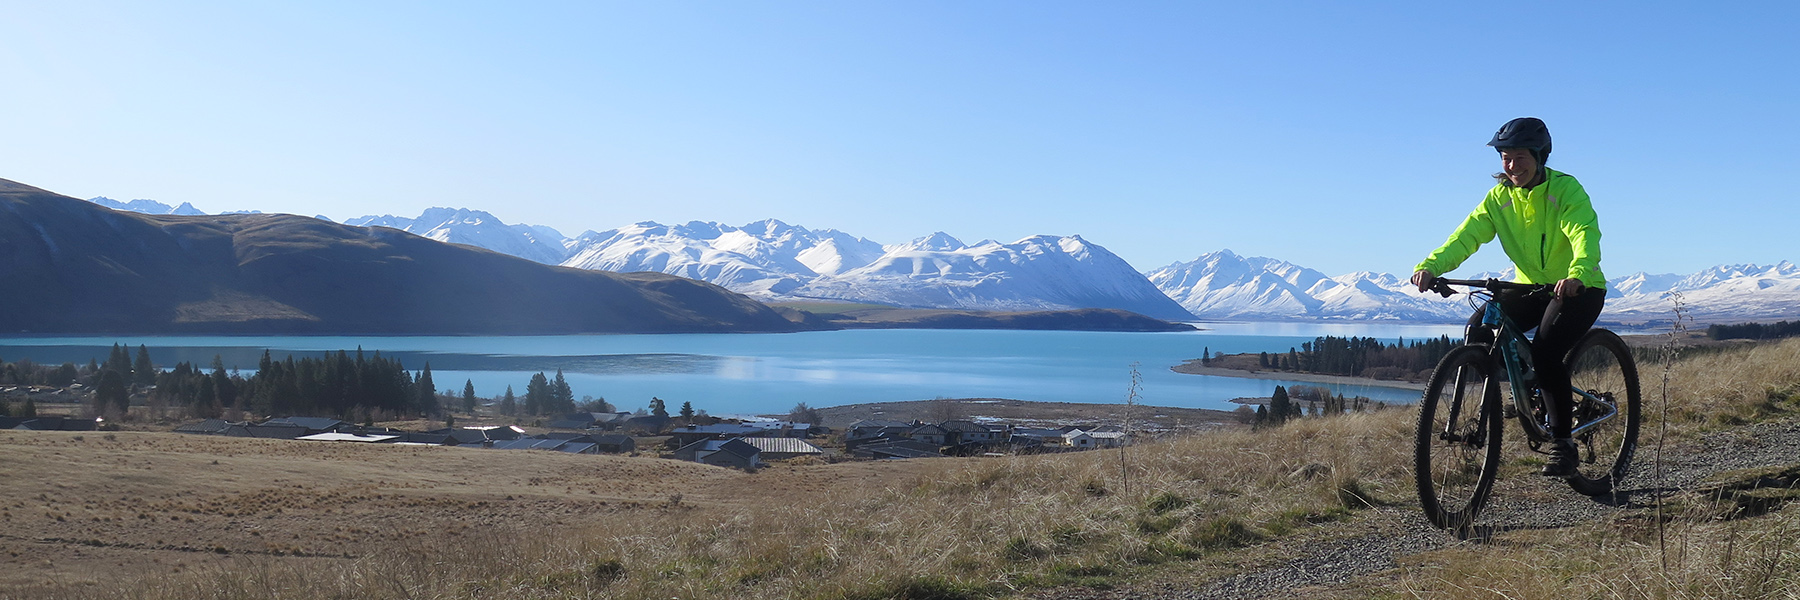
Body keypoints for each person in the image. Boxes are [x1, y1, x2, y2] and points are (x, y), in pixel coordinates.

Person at [1410, 117, 1607, 477]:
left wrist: (1578, 273)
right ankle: (1520, 395)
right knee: (1478, 331)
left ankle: (1563, 444)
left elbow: (1583, 232)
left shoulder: (1565, 190)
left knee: (1548, 352)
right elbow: (1465, 237)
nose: (1512, 165)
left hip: (1578, 288)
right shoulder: (1499, 198)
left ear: (1539, 156)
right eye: (1505, 157)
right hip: (1529, 287)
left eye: (1520, 157)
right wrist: (1432, 266)